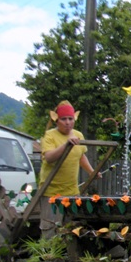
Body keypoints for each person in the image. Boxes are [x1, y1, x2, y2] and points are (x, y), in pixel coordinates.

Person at [38, 101, 100, 238]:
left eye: (70, 119)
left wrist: (92, 172)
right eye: (63, 119)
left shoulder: (78, 135)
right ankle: (47, 255)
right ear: (56, 120)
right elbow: (49, 157)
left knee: (71, 228)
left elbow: (81, 156)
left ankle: (67, 256)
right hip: (51, 191)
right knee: (50, 228)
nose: (67, 122)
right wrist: (66, 144)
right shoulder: (50, 135)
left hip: (71, 191)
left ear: (74, 119)